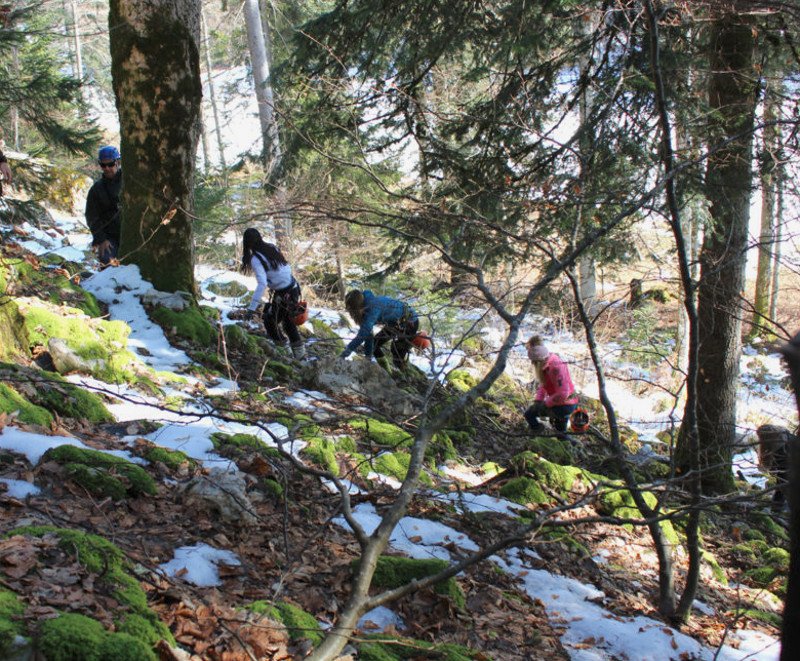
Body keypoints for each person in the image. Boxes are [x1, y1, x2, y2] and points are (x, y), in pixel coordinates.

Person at [241, 228, 305, 360]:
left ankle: (285, 354)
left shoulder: (256, 259)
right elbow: (283, 268)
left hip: (283, 293)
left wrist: (251, 309)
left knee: (270, 322)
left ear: (246, 243)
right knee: (288, 323)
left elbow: (262, 283)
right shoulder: (271, 247)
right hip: (292, 288)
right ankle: (300, 356)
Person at [340, 289, 419, 369]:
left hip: (410, 323)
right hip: (395, 324)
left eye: (352, 310)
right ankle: (386, 370)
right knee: (375, 344)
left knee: (397, 352)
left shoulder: (373, 308)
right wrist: (368, 357)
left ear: (357, 306)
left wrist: (347, 351)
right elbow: (368, 335)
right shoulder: (367, 305)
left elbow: (363, 334)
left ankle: (403, 377)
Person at [524, 335, 578, 433]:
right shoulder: (547, 363)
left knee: (529, 415)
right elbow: (544, 384)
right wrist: (538, 400)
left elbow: (563, 393)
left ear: (538, 361)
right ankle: (548, 433)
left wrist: (545, 404)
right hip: (561, 403)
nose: (532, 364)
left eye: (534, 362)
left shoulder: (555, 367)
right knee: (560, 434)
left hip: (565, 405)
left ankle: (538, 431)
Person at [85, 145, 122, 265]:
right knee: (107, 262)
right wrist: (101, 239)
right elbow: (91, 217)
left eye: (110, 164)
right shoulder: (96, 189)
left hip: (132, 235)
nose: (107, 168)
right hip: (109, 237)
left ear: (118, 162)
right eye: (103, 165)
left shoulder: (129, 183)